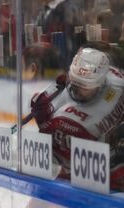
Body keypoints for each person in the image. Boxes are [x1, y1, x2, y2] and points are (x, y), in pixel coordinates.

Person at [30, 47, 124, 191]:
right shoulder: (108, 76)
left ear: (100, 85)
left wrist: (45, 123)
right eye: (74, 82)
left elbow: (65, 156)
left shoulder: (113, 94)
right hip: (82, 170)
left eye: (84, 87)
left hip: (104, 179)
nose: (76, 90)